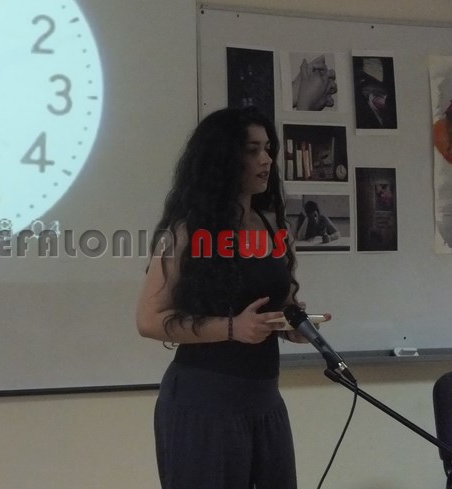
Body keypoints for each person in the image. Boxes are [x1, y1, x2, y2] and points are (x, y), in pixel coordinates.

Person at [136, 107, 322, 489]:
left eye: (268, 149)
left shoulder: (273, 227)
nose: (266, 160)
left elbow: (279, 300)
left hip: (264, 399)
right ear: (222, 159)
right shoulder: (186, 233)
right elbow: (149, 320)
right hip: (204, 402)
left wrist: (291, 323)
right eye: (252, 150)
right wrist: (232, 328)